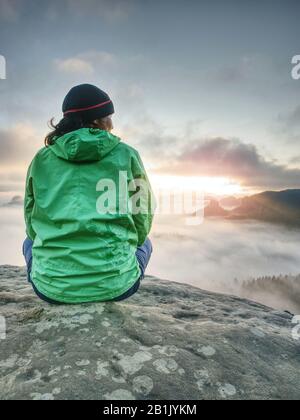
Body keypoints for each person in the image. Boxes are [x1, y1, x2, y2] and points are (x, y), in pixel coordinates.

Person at [22, 84, 155, 304]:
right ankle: (111, 277)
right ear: (95, 120)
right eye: (108, 117)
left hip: (51, 290)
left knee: (28, 242)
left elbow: (31, 216)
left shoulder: (41, 159)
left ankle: (52, 277)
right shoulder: (127, 154)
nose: (112, 125)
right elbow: (143, 211)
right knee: (146, 243)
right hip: (117, 288)